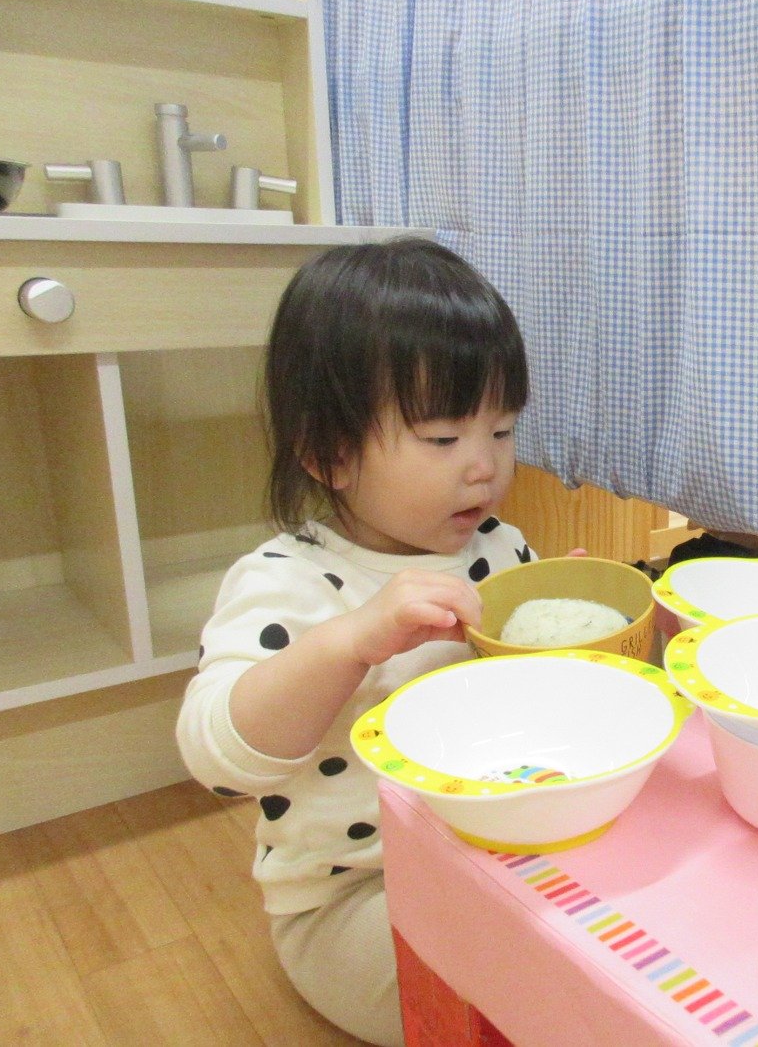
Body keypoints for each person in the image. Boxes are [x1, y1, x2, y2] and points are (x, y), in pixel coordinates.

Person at [177, 238, 539, 1045]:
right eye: (443, 439)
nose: (484, 467)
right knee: (506, 994)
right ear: (330, 453)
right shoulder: (288, 583)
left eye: (502, 429)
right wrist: (350, 643)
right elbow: (215, 759)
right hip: (355, 897)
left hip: (499, 849)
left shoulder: (502, 548)